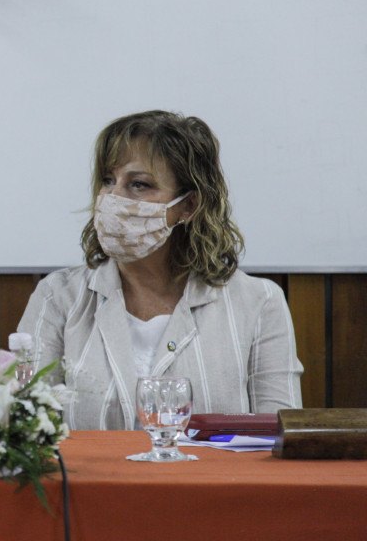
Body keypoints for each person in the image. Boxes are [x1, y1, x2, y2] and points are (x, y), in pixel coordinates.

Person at [18, 110, 303, 430]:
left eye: (139, 184)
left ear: (188, 205)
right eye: (109, 181)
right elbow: (23, 427)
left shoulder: (259, 302)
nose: (113, 198)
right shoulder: (58, 296)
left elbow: (279, 434)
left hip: (207, 480)